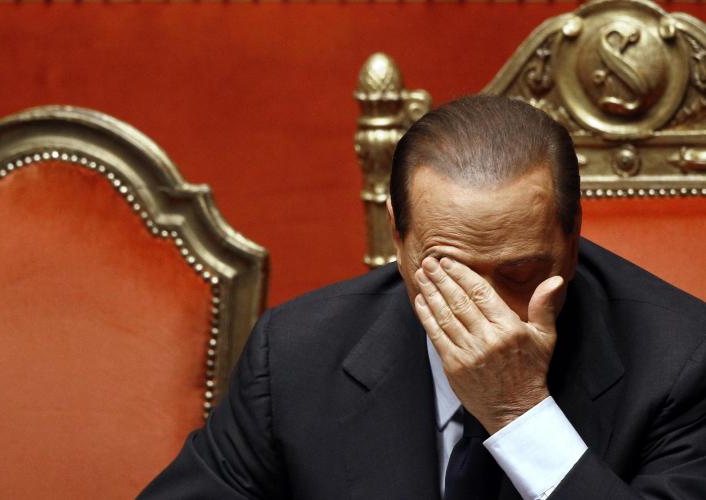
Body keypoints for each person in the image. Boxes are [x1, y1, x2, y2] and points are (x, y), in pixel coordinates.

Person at [139, 96, 706, 499]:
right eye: (448, 272)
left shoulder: (683, 362)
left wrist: (519, 414)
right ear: (398, 236)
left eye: (520, 273)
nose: (484, 311)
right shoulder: (294, 354)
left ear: (573, 236)